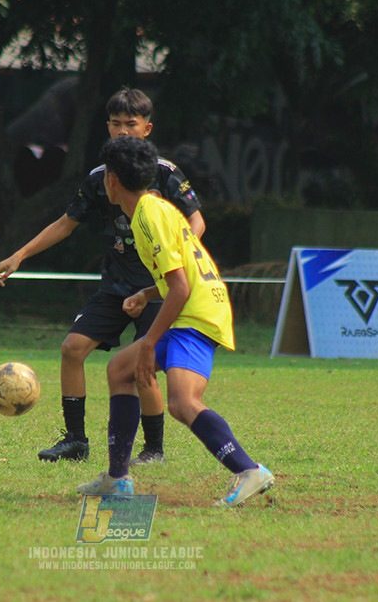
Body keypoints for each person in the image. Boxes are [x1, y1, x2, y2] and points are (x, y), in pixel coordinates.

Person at [0, 88, 205, 464]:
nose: (123, 131)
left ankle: (153, 449)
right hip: (115, 285)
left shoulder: (165, 174)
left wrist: (173, 255)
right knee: (72, 349)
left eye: (131, 124)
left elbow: (196, 222)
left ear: (147, 128)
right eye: (116, 124)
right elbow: (65, 223)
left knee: (142, 364)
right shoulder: (99, 178)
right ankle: (76, 440)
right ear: (107, 127)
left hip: (156, 288)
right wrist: (20, 254)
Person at [76, 136, 274, 507]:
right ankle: (117, 479)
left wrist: (149, 341)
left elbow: (181, 287)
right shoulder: (152, 210)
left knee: (183, 402)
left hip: (196, 312)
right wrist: (148, 294)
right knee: (120, 369)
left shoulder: (149, 215)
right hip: (194, 305)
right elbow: (178, 274)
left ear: (112, 181)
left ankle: (249, 470)